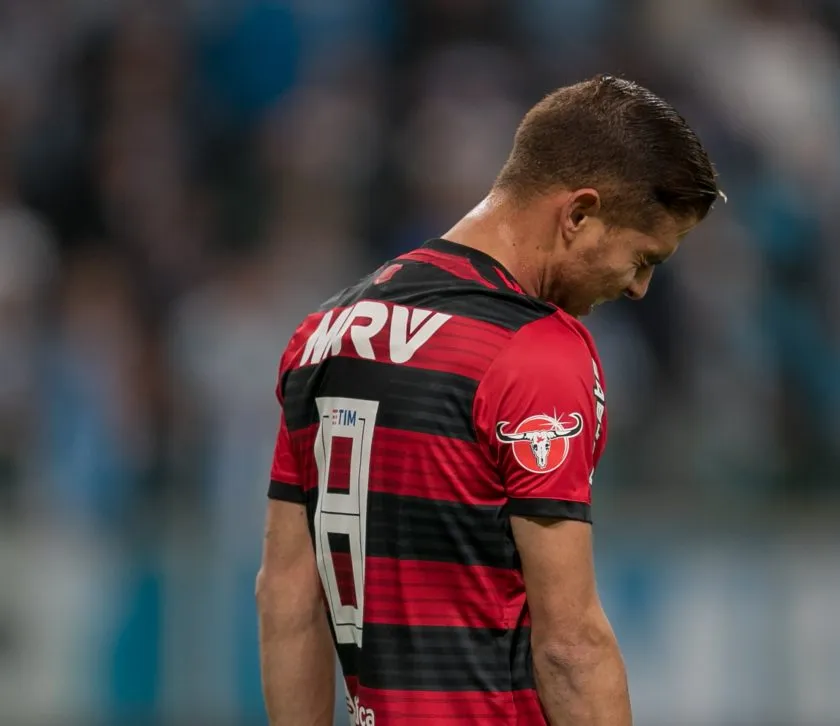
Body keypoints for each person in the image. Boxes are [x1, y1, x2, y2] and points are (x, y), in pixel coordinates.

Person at [256, 74, 721, 726]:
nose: (639, 289)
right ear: (579, 214)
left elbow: (286, 595)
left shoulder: (326, 333)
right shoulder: (535, 350)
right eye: (643, 258)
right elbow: (569, 646)